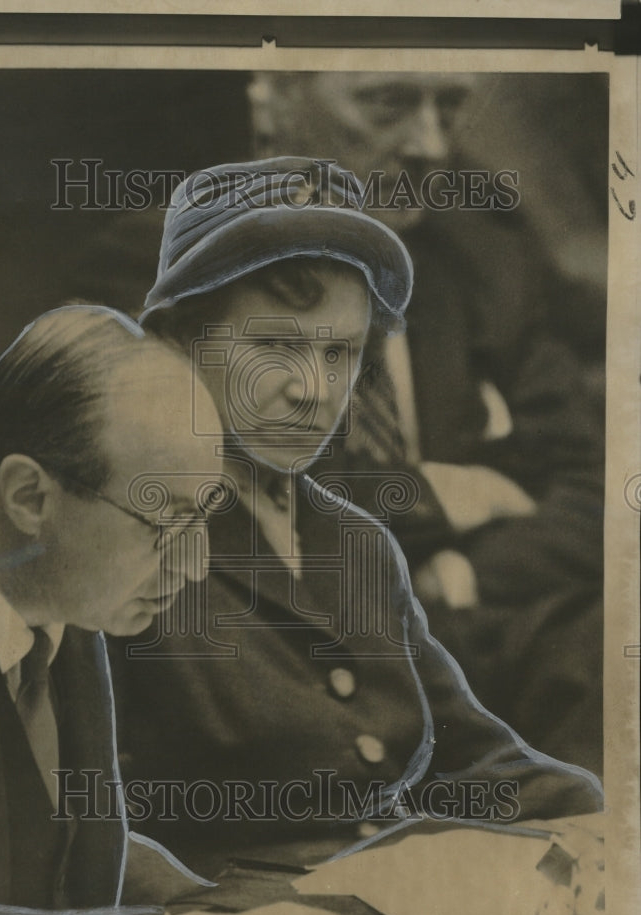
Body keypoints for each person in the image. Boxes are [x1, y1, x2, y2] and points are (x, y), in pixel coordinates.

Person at [107, 158, 603, 872]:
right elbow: (88, 836)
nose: (317, 392)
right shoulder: (123, 539)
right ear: (176, 343)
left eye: (341, 354)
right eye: (275, 347)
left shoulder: (353, 542)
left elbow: (474, 757)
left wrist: (587, 819)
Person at [0, 304, 370, 915]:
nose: (192, 569)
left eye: (204, 520)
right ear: (28, 497)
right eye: (163, 524)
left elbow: (61, 849)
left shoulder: (55, 582)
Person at [245, 73, 606, 774]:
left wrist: (457, 574)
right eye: (387, 102)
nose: (431, 146)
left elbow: (595, 486)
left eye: (449, 107)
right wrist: (456, 493)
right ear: (273, 101)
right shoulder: (176, 266)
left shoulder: (484, 263)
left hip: (474, 623)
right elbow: (267, 499)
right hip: (294, 654)